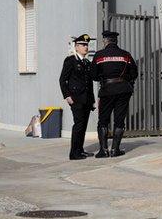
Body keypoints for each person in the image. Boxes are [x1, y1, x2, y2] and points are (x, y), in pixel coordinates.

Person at [93, 30, 138, 158]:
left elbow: (93, 75)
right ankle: (115, 150)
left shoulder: (99, 55)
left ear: (105, 41)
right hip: (123, 90)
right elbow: (134, 73)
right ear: (116, 41)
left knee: (103, 120)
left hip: (106, 90)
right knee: (119, 120)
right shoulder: (126, 55)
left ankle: (103, 150)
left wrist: (103, 78)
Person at [58, 33, 96, 161]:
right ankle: (73, 153)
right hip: (76, 98)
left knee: (83, 125)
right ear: (76, 46)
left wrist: (92, 101)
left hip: (86, 99)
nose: (86, 47)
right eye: (83, 45)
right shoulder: (70, 60)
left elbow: (89, 83)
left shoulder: (86, 62)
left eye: (87, 45)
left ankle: (80, 149)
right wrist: (67, 95)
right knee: (78, 124)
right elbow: (63, 80)